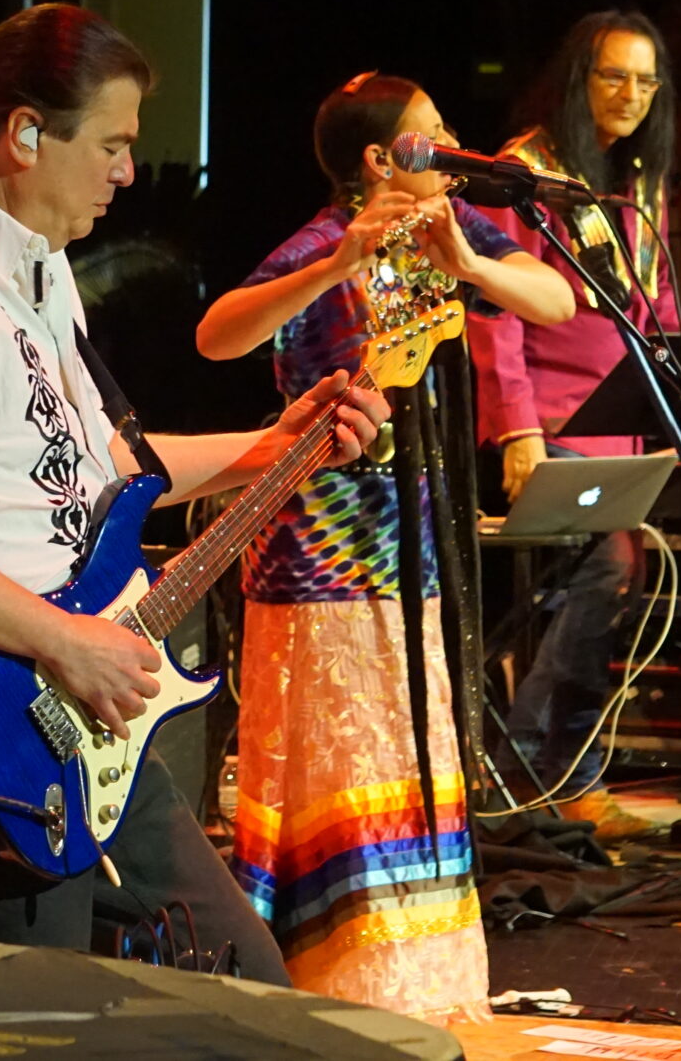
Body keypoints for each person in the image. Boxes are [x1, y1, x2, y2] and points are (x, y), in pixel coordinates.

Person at [0, 3, 388, 973]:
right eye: (113, 144)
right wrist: (65, 640)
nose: (128, 172)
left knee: (237, 989)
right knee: (21, 1035)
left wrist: (275, 445)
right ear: (25, 134)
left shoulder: (30, 266)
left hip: (72, 716)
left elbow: (101, 473)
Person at [194, 73, 574, 1015]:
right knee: (334, 737)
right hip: (318, 528)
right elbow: (217, 337)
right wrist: (334, 267)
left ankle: (410, 977)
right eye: (431, 135)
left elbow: (557, 302)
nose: (449, 147)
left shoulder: (449, 232)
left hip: (409, 517)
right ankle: (322, 970)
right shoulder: (323, 242)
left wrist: (474, 265)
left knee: (405, 730)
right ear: (380, 159)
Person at [467, 11, 681, 837]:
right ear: (578, 79)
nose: (631, 94)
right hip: (546, 421)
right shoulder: (528, 173)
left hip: (622, 426)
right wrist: (518, 432)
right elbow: (493, 313)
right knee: (612, 564)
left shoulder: (635, 182)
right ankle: (531, 771)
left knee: (623, 571)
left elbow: (660, 311)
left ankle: (556, 775)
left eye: (645, 79)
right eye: (613, 76)